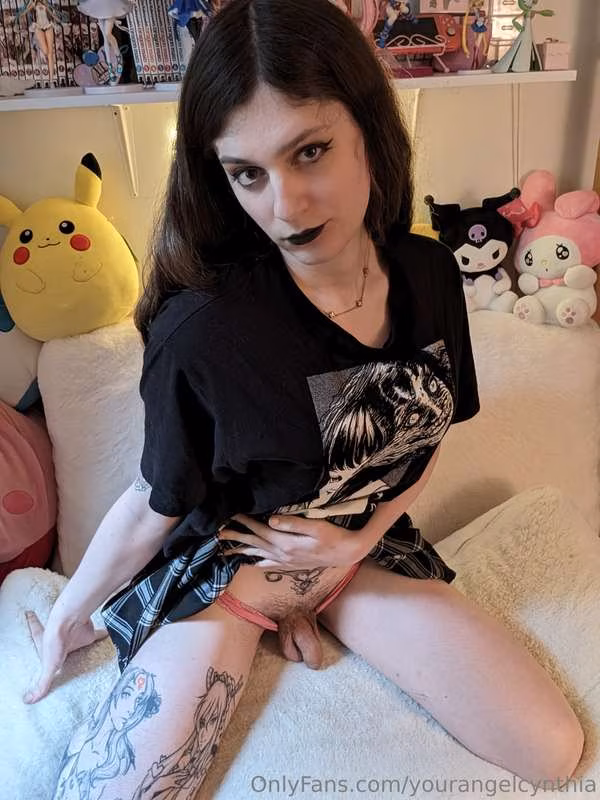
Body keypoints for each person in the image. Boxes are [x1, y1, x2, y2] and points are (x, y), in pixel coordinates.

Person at [24, 0, 583, 796]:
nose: (284, 207)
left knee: (553, 749)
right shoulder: (204, 333)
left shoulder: (428, 275)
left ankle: (314, 613)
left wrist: (359, 542)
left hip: (362, 558)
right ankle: (281, 620)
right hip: (231, 578)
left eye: (310, 151)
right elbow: (154, 500)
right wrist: (70, 616)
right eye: (248, 173)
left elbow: (426, 440)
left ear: (369, 134)